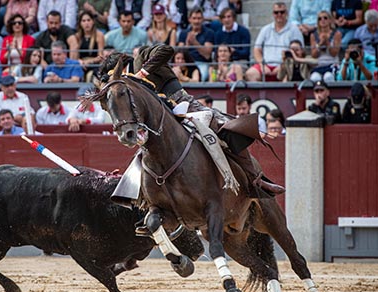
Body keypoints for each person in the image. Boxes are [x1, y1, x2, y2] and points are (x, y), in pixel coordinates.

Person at [99, 43, 286, 196]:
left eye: (118, 75)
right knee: (142, 157)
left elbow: (167, 50)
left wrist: (143, 73)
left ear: (121, 67)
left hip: (183, 105)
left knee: (226, 128)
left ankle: (256, 181)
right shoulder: (126, 94)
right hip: (161, 122)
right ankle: (141, 201)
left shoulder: (141, 57)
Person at [245, 2, 304, 82]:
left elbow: (300, 52)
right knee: (250, 74)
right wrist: (262, 65)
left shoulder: (294, 30)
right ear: (273, 14)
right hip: (265, 64)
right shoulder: (265, 29)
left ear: (286, 13)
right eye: (276, 12)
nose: (279, 14)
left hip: (286, 65)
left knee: (288, 76)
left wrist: (283, 65)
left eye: (282, 12)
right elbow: (257, 50)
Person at [177, 6, 214, 81]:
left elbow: (207, 55)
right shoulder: (183, 33)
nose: (196, 21)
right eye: (194, 18)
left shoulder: (209, 33)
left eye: (199, 18)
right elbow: (180, 52)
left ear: (203, 19)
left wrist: (195, 42)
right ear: (189, 19)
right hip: (185, 63)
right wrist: (187, 45)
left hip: (201, 63)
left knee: (202, 75)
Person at [309, 10, 341, 82]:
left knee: (328, 77)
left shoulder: (336, 34)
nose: (322, 20)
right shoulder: (313, 35)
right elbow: (313, 55)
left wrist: (327, 43)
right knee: (314, 78)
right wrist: (320, 44)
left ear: (330, 20)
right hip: (320, 65)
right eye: (320, 19)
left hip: (332, 64)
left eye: (325, 18)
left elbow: (334, 53)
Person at [75, 10, 105, 81]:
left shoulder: (99, 35)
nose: (86, 23)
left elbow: (100, 56)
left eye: (88, 20)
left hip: (94, 65)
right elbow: (74, 56)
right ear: (80, 23)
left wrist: (89, 61)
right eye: (84, 21)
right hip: (81, 65)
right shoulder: (77, 36)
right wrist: (80, 61)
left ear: (93, 21)